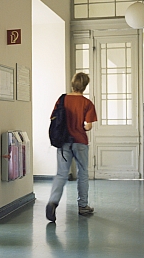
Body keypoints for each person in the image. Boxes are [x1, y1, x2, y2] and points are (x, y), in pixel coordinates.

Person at [46, 72, 97, 222]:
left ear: (72, 83)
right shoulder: (87, 103)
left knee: (61, 174)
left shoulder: (62, 99)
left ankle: (53, 201)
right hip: (80, 141)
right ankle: (83, 206)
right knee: (83, 173)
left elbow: (53, 118)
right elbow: (88, 126)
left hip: (63, 142)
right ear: (85, 86)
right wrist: (82, 126)